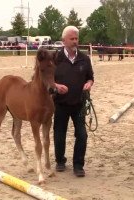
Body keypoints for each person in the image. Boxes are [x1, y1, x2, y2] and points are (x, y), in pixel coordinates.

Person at [53, 26, 94, 177]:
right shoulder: (55, 59)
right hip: (60, 103)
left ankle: (78, 165)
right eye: (72, 39)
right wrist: (56, 86)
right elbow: (47, 80)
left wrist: (89, 84)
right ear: (64, 41)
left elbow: (90, 77)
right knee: (59, 133)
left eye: (76, 38)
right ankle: (60, 161)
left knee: (82, 135)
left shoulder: (85, 59)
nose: (75, 41)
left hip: (79, 104)